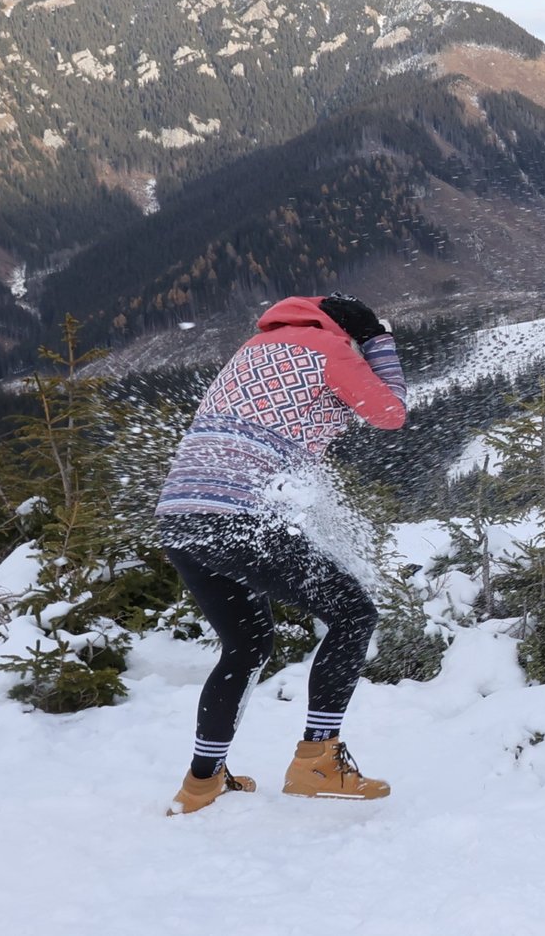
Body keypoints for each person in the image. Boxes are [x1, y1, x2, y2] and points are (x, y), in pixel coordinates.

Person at [155, 293, 407, 814]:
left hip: (180, 516)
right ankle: (318, 760)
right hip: (235, 516)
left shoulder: (254, 348)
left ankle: (202, 783)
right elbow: (390, 412)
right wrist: (379, 344)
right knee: (354, 615)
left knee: (245, 646)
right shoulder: (328, 350)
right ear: (347, 331)